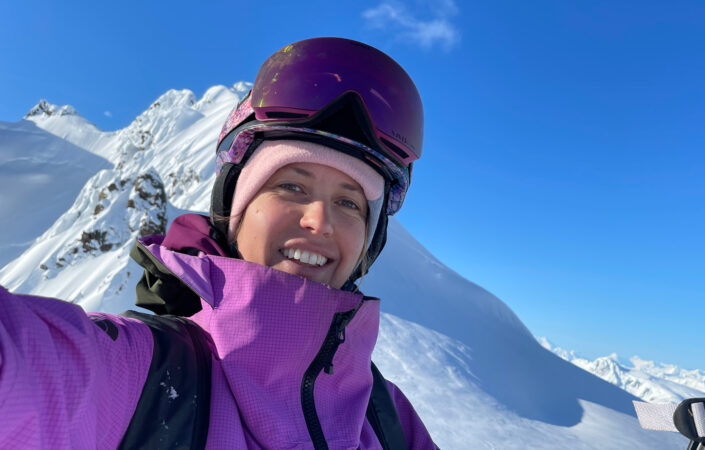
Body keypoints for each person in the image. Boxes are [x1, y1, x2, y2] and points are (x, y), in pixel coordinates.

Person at [0, 37, 438, 449]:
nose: (319, 220)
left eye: (349, 202)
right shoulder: (144, 376)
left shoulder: (387, 416)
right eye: (291, 187)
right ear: (235, 210)